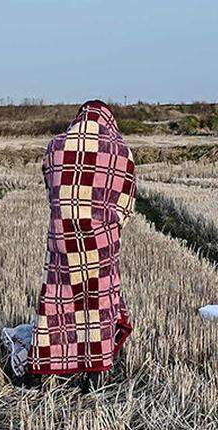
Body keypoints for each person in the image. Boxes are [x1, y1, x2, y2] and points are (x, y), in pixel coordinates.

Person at [25, 100, 136, 384]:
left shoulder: (55, 146)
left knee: (57, 303)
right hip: (102, 244)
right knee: (99, 303)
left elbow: (52, 193)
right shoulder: (121, 151)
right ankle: (95, 372)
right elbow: (125, 207)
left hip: (63, 240)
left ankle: (44, 369)